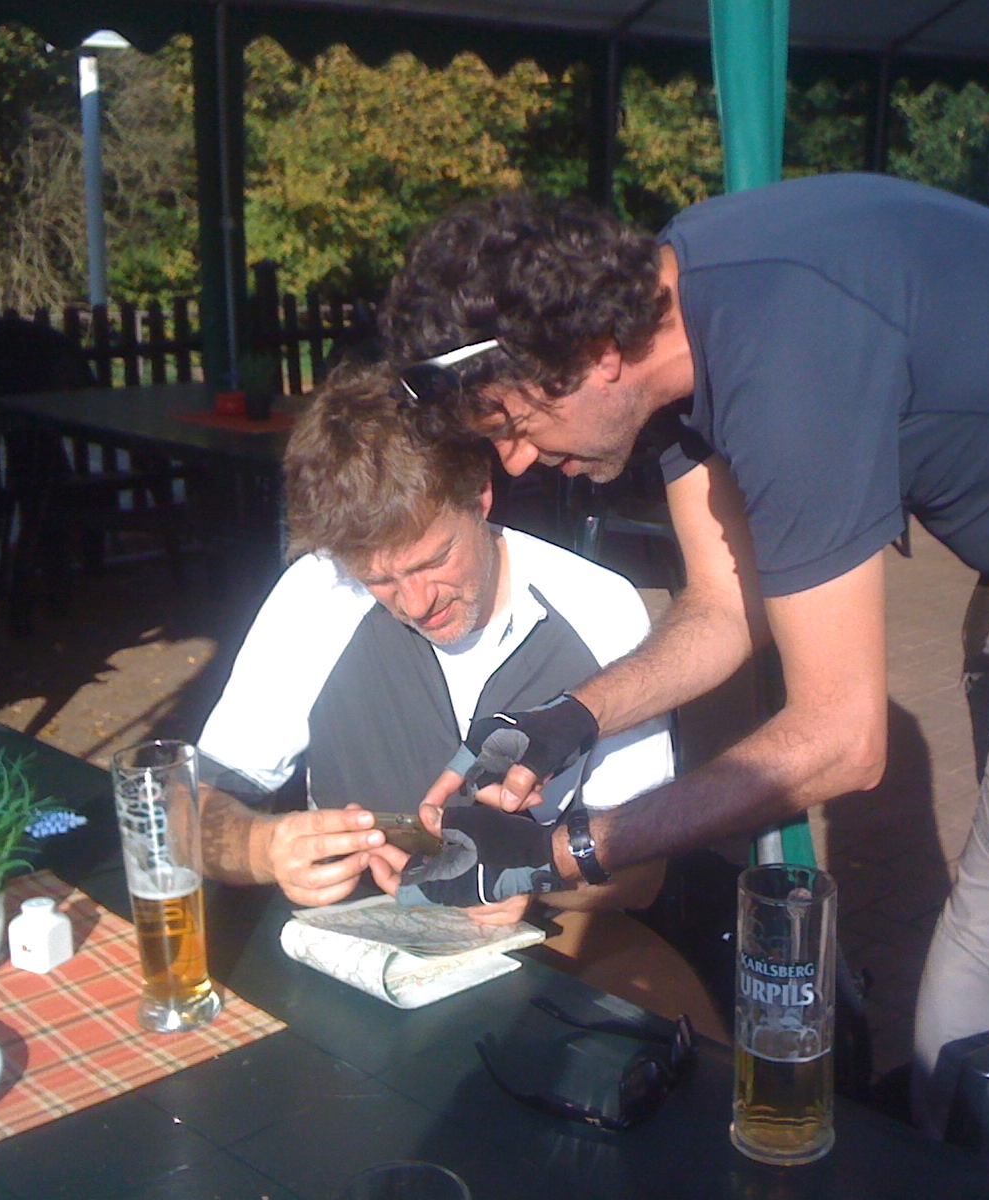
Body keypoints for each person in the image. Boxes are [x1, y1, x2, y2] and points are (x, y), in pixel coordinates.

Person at [377, 178, 989, 1200]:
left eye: (512, 422)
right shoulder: (672, 317)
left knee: (982, 1026)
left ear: (595, 353)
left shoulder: (784, 357)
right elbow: (723, 610)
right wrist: (565, 720)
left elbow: (843, 740)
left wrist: (560, 852)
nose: (515, 461)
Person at [194, 363, 673, 923]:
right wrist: (262, 849)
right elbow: (185, 807)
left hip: (541, 947)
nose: (416, 602)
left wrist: (538, 878)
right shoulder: (319, 590)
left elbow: (645, 873)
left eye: (434, 560)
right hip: (357, 937)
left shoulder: (601, 609)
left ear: (481, 494)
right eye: (379, 580)